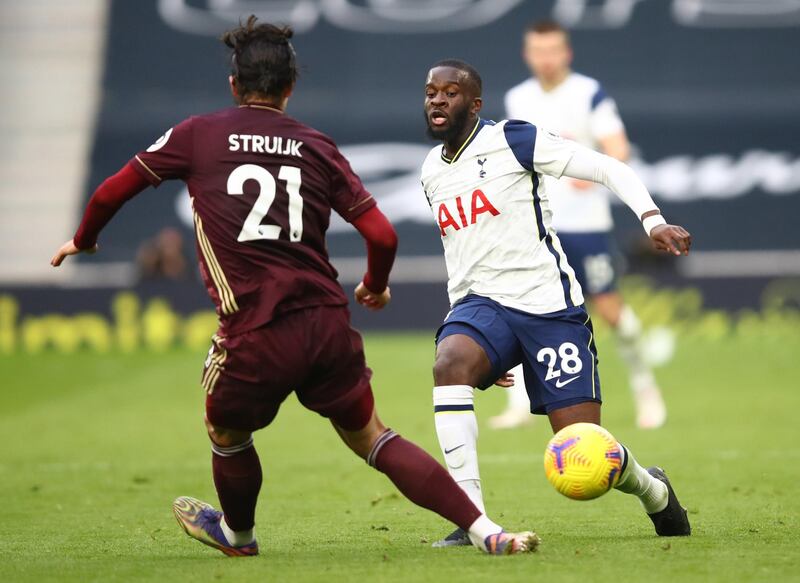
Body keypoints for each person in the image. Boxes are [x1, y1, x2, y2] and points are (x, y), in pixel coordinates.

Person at [50, 17, 538, 556]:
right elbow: (380, 233)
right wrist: (374, 286)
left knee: (226, 434)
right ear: (290, 88)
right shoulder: (315, 144)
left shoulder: (197, 135)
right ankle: (487, 532)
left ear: (234, 84)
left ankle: (238, 535)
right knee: (373, 436)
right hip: (326, 323)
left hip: (254, 331)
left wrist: (84, 239)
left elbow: (110, 193)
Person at [420, 59, 692, 547]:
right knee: (449, 364)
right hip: (483, 306)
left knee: (584, 451)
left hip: (549, 311)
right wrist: (468, 334)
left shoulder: (513, 140)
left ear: (474, 103)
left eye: (450, 92)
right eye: (431, 93)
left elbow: (607, 166)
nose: (438, 100)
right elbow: (459, 254)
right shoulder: (430, 172)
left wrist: (652, 220)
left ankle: (653, 489)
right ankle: (471, 517)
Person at [494, 20, 668, 430]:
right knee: (515, 309)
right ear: (527, 54)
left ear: (566, 52)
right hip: (537, 225)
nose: (546, 59)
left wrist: (585, 167)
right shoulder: (518, 98)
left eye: (553, 50)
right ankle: (519, 404)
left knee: (609, 310)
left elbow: (618, 148)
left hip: (586, 224)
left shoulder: (588, 92)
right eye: (538, 51)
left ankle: (647, 389)